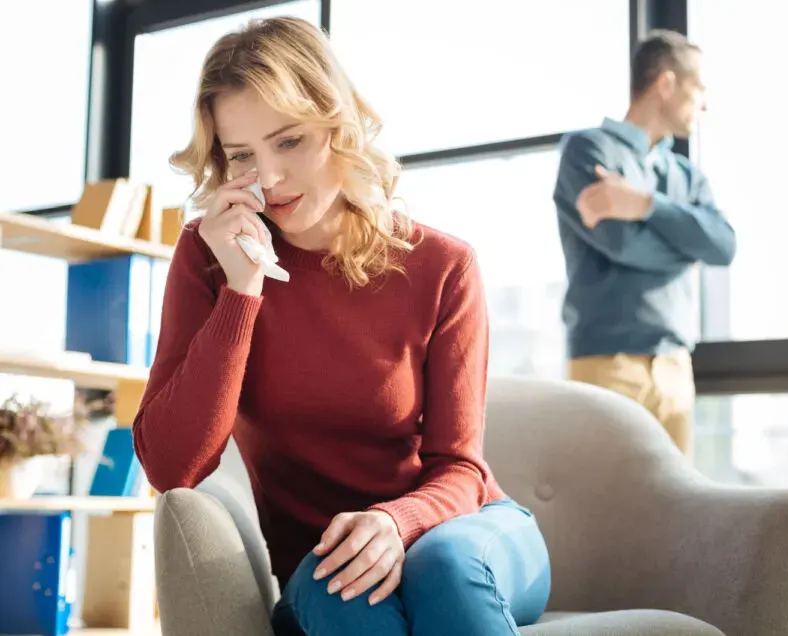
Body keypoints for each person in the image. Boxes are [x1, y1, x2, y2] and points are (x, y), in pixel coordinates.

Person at [132, 17, 550, 636]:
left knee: (444, 565)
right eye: (242, 155)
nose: (268, 179)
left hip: (467, 532)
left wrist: (397, 523)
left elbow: (460, 467)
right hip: (330, 558)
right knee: (340, 589)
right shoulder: (209, 254)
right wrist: (243, 287)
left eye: (290, 141)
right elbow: (173, 468)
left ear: (338, 125)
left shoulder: (442, 265)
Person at [552, 29, 736, 457]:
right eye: (698, 88)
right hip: (607, 364)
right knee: (603, 505)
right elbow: (621, 243)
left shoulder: (686, 175)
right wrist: (687, 245)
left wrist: (646, 204)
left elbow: (723, 247)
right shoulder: (587, 150)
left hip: (675, 367)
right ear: (666, 83)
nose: (705, 104)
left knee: (677, 512)